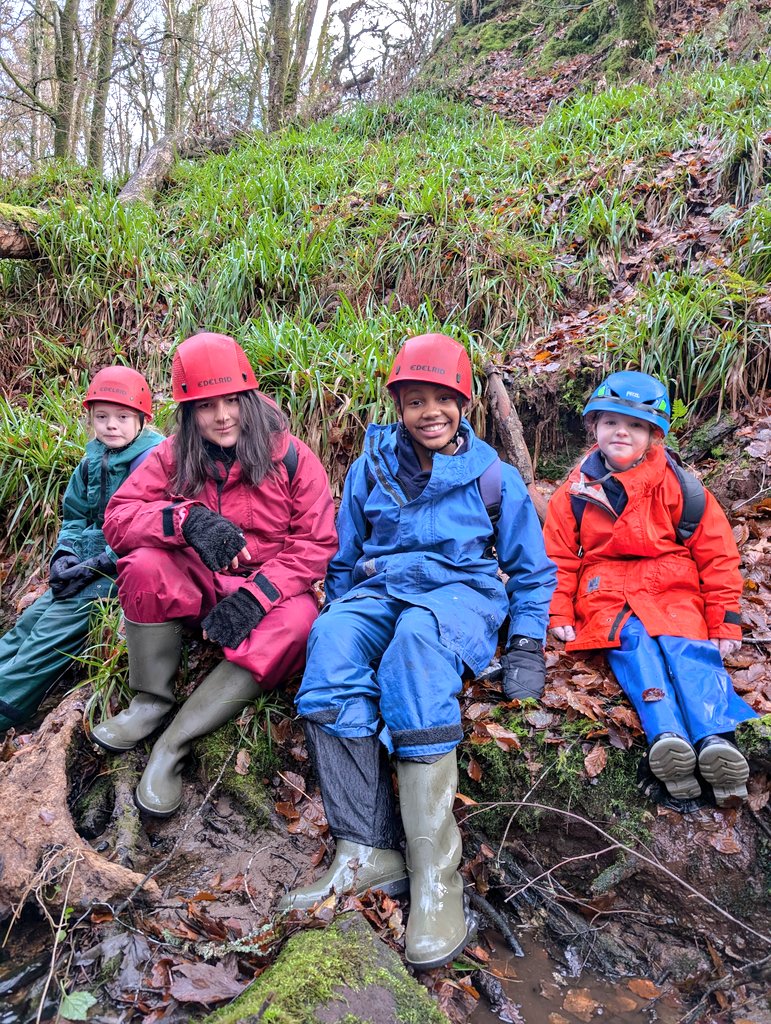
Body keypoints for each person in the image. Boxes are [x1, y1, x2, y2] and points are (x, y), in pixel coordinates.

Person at [279, 333, 556, 970]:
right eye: (414, 401)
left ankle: (436, 876)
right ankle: (365, 850)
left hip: (460, 596)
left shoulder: (492, 476)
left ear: (463, 403)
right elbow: (345, 559)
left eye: (442, 399)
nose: (430, 412)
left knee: (415, 646)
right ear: (398, 407)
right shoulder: (369, 469)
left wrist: (526, 643)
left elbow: (532, 570)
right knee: (330, 643)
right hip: (382, 589)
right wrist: (342, 615)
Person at [90, 332, 338, 817]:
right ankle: (150, 702)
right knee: (143, 564)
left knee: (300, 624)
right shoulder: (172, 454)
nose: (222, 416)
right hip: (202, 581)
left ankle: (174, 743)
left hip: (271, 589)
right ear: (188, 412)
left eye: (232, 401)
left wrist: (256, 597)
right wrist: (184, 521)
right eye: (206, 405)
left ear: (249, 398)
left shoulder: (292, 456)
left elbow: (316, 544)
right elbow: (118, 520)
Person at [543, 370, 757, 808]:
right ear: (594, 426)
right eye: (610, 422)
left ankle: (715, 738)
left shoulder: (680, 485)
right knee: (634, 645)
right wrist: (558, 610)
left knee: (687, 645)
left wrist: (724, 619)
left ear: (654, 435)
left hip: (672, 584)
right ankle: (667, 737)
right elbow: (558, 557)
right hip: (606, 589)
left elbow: (717, 554)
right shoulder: (575, 490)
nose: (621, 432)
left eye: (635, 426)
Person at [0, 366, 163, 734]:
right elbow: (75, 515)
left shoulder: (153, 462)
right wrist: (65, 555)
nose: (111, 425)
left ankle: (7, 707)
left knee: (47, 636)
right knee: (27, 624)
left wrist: (102, 563)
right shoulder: (92, 460)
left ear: (143, 420)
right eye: (101, 417)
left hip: (119, 573)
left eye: (122, 417)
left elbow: (152, 530)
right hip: (85, 564)